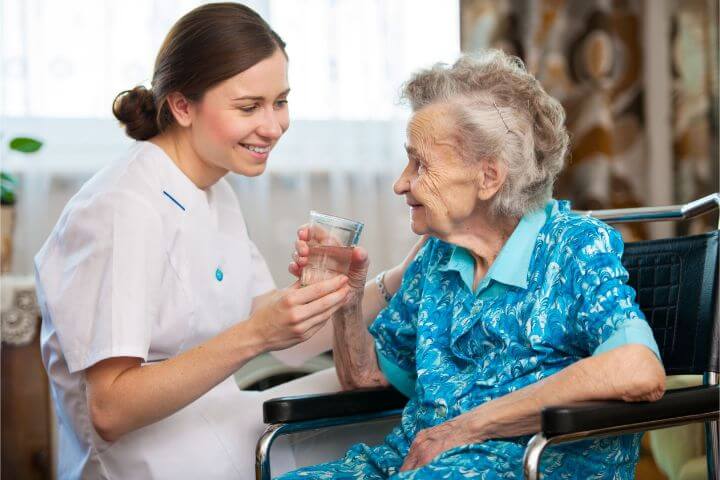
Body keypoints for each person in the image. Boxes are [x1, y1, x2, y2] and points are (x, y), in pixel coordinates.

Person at [34, 3, 422, 478]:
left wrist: (390, 283)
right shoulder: (123, 207)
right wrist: (257, 334)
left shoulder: (212, 190)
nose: (274, 126)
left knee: (406, 396)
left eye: (280, 101)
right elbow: (110, 410)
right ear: (181, 106)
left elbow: (287, 345)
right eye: (249, 107)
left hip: (220, 430)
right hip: (150, 463)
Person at [282, 50, 666, 479]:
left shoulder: (572, 246)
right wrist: (348, 300)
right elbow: (365, 376)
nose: (400, 183)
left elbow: (637, 368)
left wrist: (465, 428)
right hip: (420, 460)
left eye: (420, 163)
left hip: (533, 462)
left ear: (489, 177)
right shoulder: (438, 257)